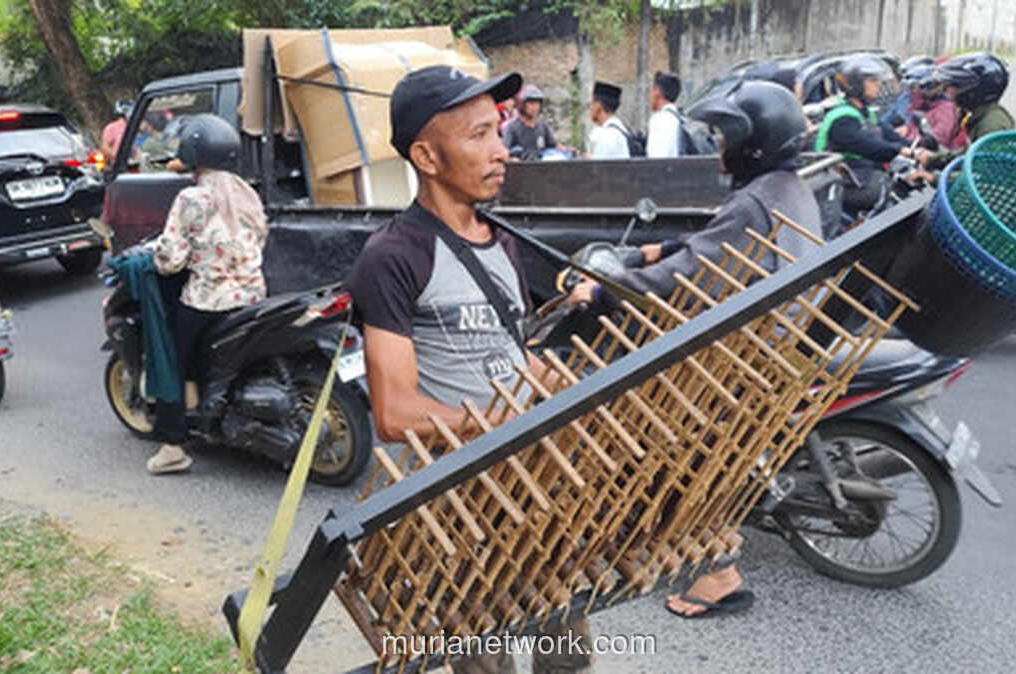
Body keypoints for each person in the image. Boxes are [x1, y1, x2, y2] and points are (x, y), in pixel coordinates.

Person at [345, 65, 591, 674]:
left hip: (538, 486)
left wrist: (548, 377)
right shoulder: (393, 256)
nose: (500, 151)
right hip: (462, 511)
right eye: (479, 135)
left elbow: (507, 350)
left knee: (567, 654)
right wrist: (498, 418)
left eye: (498, 132)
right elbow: (395, 413)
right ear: (427, 156)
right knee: (485, 664)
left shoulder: (500, 239)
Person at [569, 81, 821, 620]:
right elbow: (713, 249)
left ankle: (717, 575)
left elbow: (688, 279)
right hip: (775, 349)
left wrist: (605, 289)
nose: (720, 147)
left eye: (728, 136)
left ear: (754, 142)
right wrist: (658, 248)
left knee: (660, 443)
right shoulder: (786, 187)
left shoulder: (754, 201)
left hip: (742, 363)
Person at [147, 114, 269, 475]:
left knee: (170, 358)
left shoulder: (191, 197)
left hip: (208, 300)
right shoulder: (247, 193)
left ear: (193, 153)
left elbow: (171, 259)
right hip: (252, 296)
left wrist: (157, 255)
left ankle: (172, 447)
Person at [815, 56, 928, 210]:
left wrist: (917, 149)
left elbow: (886, 133)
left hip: (859, 173)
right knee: (879, 188)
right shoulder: (842, 118)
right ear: (855, 85)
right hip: (839, 180)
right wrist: (902, 150)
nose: (878, 85)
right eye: (872, 81)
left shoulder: (864, 112)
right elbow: (867, 145)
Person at [913, 52, 1015, 178]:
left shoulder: (991, 125)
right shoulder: (980, 115)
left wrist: (934, 178)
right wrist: (932, 160)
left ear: (974, 91)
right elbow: (969, 156)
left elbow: (983, 176)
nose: (948, 92)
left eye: (954, 87)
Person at [900, 65, 963, 151]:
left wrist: (905, 140)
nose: (911, 93)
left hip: (936, 158)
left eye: (914, 88)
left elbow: (936, 140)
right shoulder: (922, 108)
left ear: (928, 88)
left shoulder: (945, 109)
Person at [502, 84, 563, 160]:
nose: (535, 107)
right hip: (522, 167)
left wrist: (569, 151)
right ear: (522, 105)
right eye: (531, 103)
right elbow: (504, 151)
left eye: (537, 103)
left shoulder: (542, 126)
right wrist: (512, 159)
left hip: (542, 167)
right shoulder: (512, 128)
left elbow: (553, 146)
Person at [588, 81, 631, 159]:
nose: (590, 108)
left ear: (598, 106)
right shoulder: (618, 129)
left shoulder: (608, 136)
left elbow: (597, 168)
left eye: (592, 103)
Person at [646, 70, 683, 158]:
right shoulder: (678, 118)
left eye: (651, 90)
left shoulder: (659, 120)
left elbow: (657, 160)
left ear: (657, 92)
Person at [101, 100, 131, 167]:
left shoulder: (136, 125)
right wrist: (118, 157)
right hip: (122, 166)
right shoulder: (112, 128)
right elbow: (105, 147)